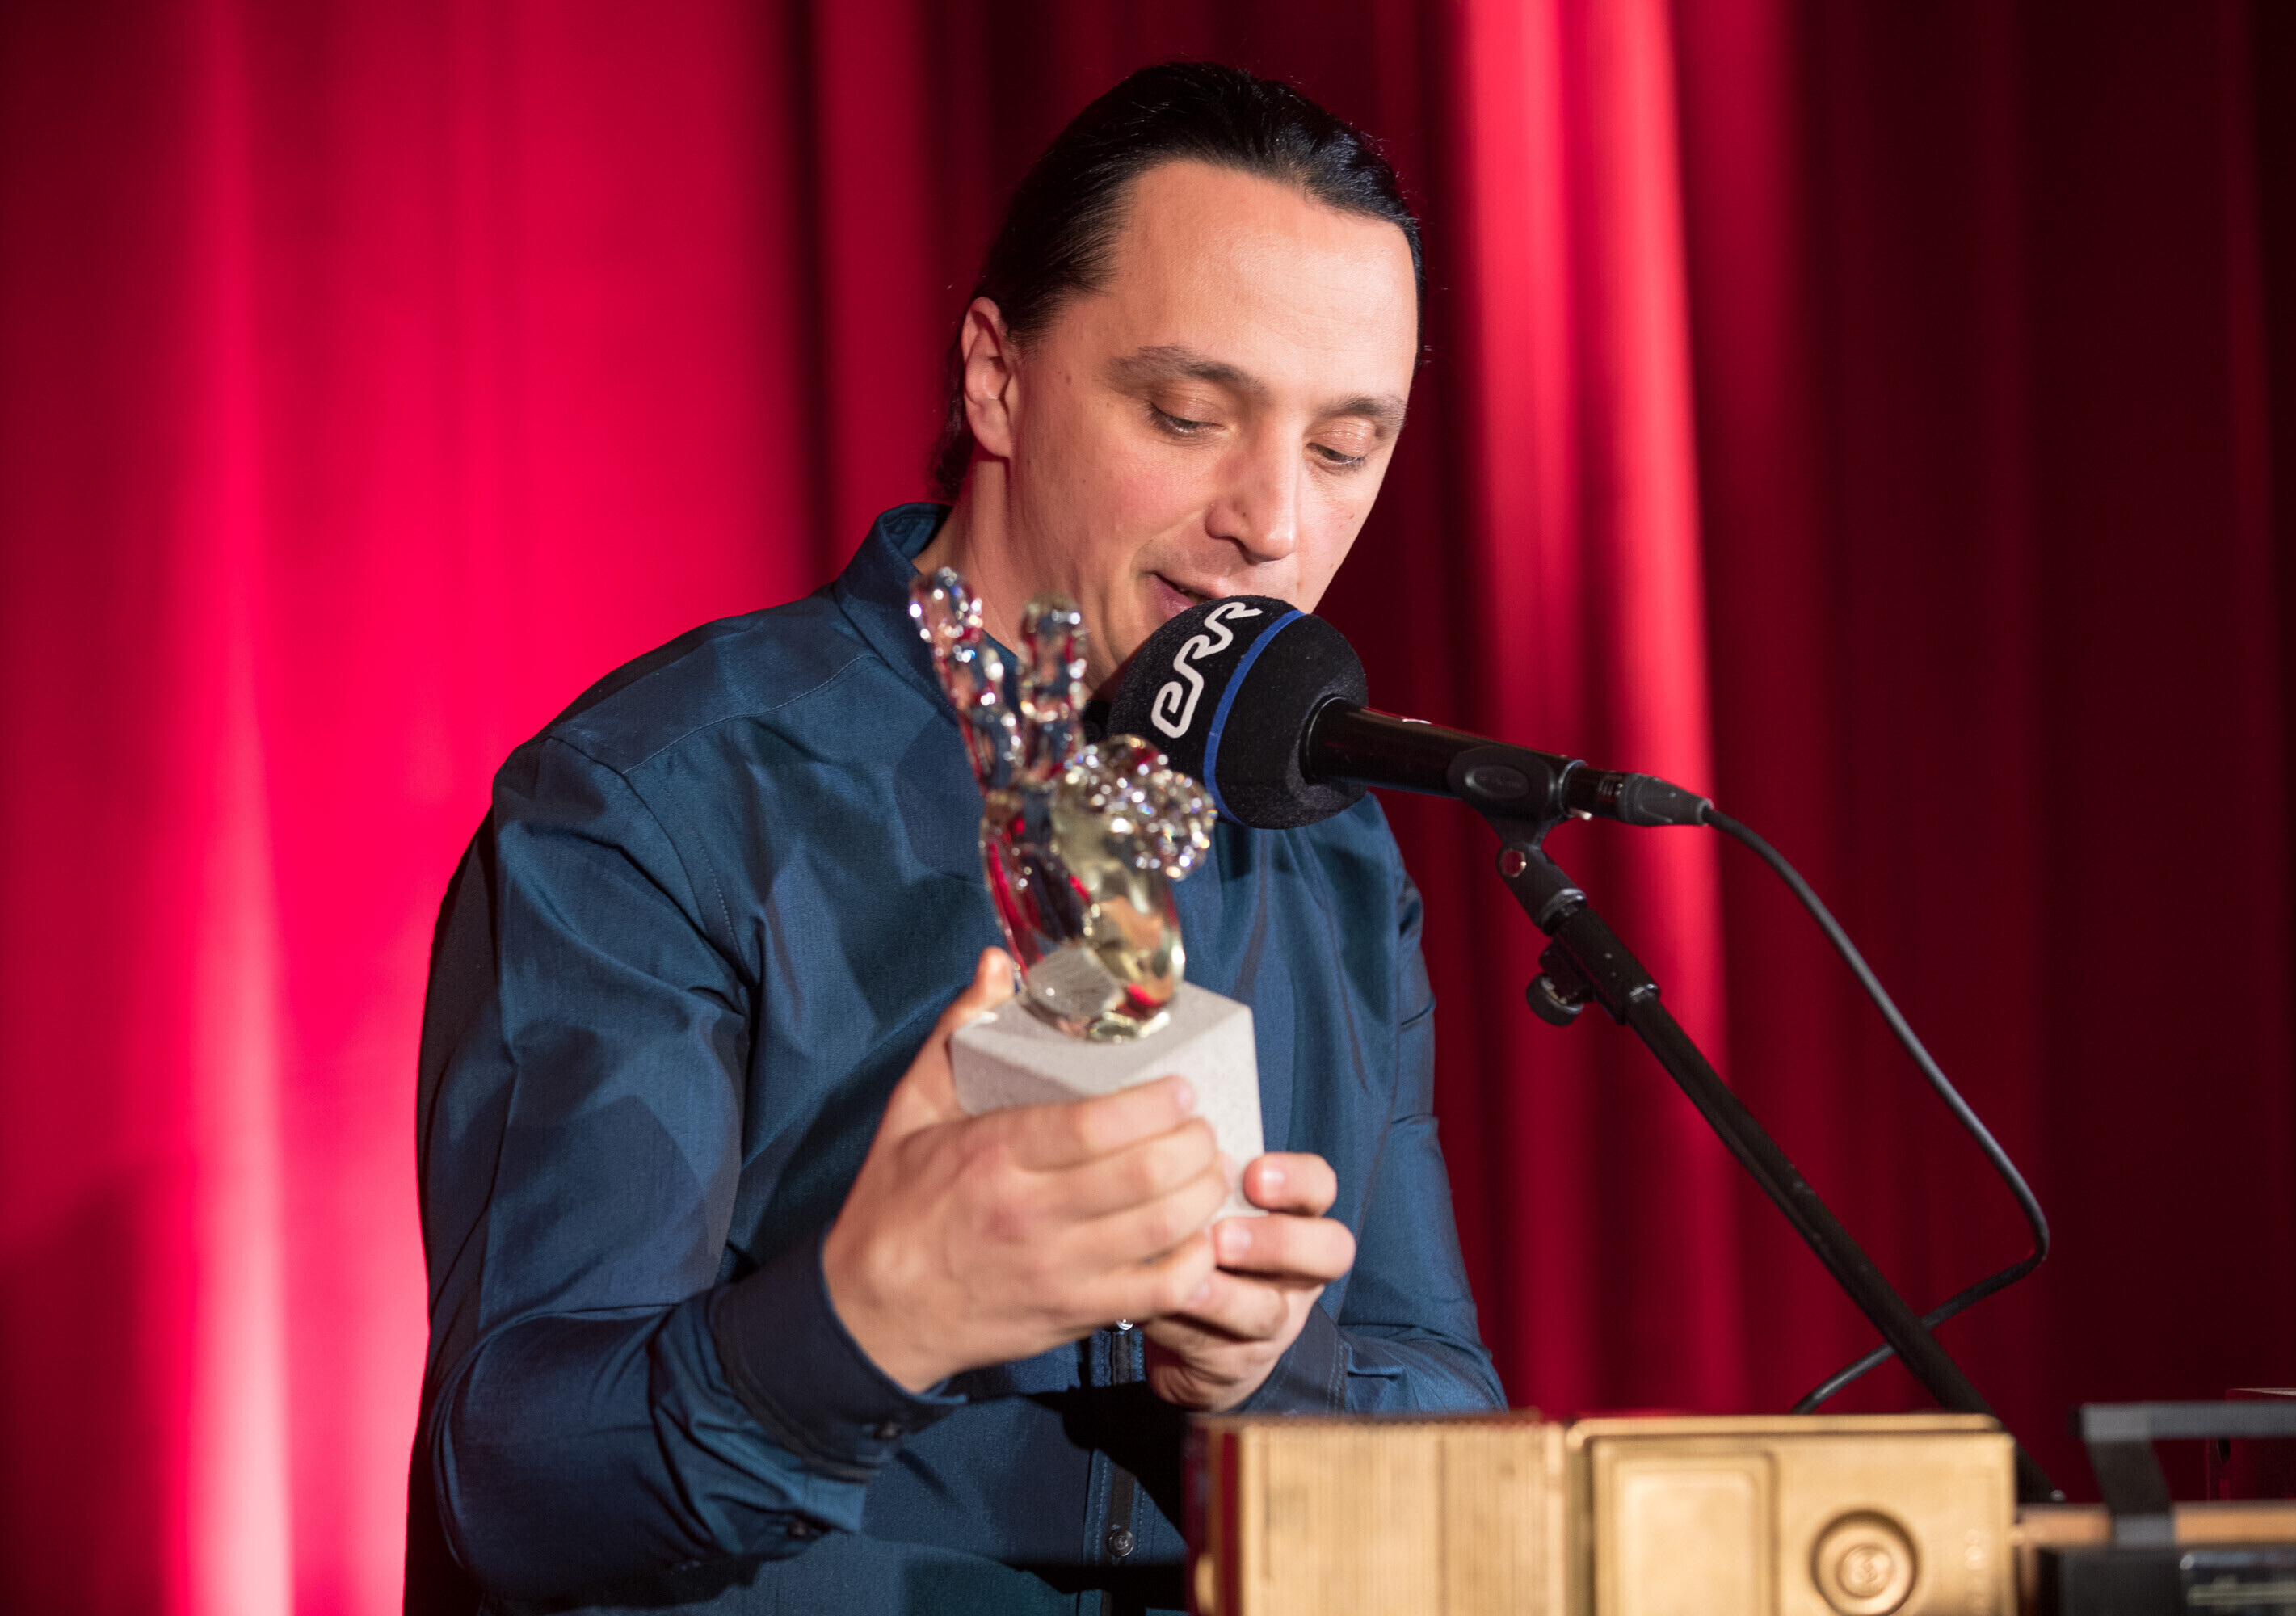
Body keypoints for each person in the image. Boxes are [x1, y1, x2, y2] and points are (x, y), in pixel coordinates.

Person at [409, 61, 1503, 1616]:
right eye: (1189, 415)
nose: (1272, 522)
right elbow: (515, 1488)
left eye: (1342, 449)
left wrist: (1268, 1375)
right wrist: (869, 1320)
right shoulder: (663, 797)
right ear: (995, 377)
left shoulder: (1331, 857)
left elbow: (1446, 1433)